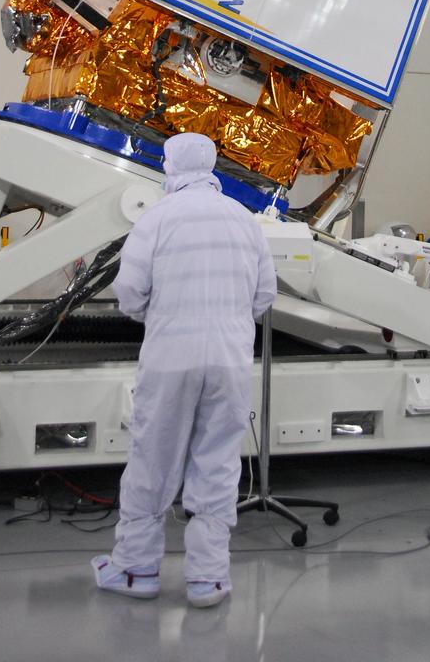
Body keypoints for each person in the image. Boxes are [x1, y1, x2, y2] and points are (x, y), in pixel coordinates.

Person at [92, 132, 277, 609]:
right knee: (217, 462)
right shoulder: (244, 220)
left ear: (170, 166)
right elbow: (265, 297)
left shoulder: (155, 220)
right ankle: (208, 580)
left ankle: (136, 568)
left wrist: (164, 314)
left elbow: (129, 292)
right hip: (229, 361)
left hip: (171, 358)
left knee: (153, 459)